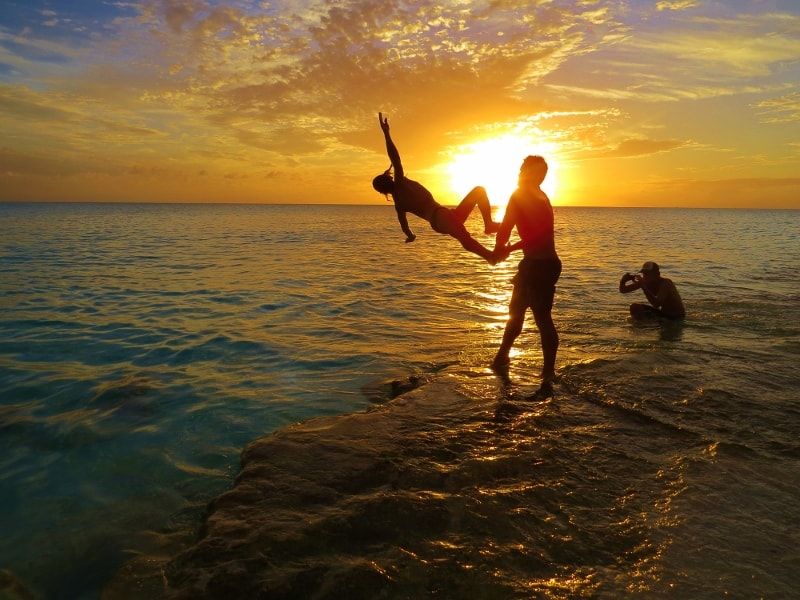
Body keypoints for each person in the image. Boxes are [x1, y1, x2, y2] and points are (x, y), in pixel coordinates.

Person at [373, 113, 500, 262]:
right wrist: (386, 133)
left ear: (382, 192)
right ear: (388, 178)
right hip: (440, 217)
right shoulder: (400, 184)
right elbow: (395, 157)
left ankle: (489, 226)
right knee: (463, 236)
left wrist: (411, 236)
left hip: (445, 215)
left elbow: (405, 227)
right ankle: (490, 256)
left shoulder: (399, 204)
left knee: (479, 191)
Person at [491, 155, 561, 384]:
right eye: (536, 172)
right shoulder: (534, 195)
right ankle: (503, 357)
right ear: (525, 171)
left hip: (539, 264)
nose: (539, 176)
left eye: (542, 173)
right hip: (538, 264)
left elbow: (539, 233)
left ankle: (548, 371)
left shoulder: (529, 195)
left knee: (539, 318)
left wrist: (506, 248)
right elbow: (507, 226)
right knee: (517, 311)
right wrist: (500, 245)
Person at [619, 261, 685, 319]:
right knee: (634, 307)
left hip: (676, 317)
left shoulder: (666, 283)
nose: (645, 276)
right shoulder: (645, 282)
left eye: (648, 274)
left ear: (657, 274)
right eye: (644, 273)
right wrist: (623, 281)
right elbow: (623, 290)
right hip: (663, 314)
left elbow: (657, 304)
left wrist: (643, 287)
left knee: (637, 308)